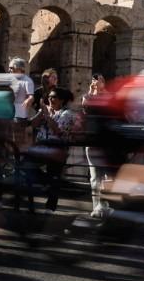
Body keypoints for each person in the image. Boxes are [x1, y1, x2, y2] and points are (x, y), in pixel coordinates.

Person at [29, 86, 78, 212]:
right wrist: (41, 113)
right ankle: (46, 182)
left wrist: (47, 114)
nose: (50, 99)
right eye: (49, 97)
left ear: (61, 100)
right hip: (42, 147)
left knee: (54, 175)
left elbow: (58, 131)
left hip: (58, 147)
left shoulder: (67, 114)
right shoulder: (46, 110)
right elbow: (33, 124)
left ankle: (50, 206)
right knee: (27, 165)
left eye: (54, 97)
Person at [83, 73, 110, 218]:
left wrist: (101, 93)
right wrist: (92, 92)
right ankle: (96, 207)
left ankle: (105, 205)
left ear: (103, 82)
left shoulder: (109, 96)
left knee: (106, 176)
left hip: (107, 141)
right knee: (94, 176)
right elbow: (86, 108)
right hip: (92, 140)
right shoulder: (88, 96)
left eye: (97, 79)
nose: (95, 81)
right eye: (93, 79)